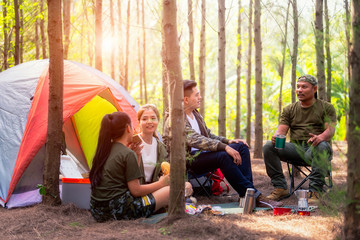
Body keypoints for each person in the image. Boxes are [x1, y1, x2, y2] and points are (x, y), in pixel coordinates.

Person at [163, 80, 265, 203]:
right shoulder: (175, 119)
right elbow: (195, 139)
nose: (200, 97)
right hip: (187, 162)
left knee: (241, 146)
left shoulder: (195, 114)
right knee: (223, 155)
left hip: (203, 156)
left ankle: (246, 194)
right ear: (186, 99)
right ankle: (253, 196)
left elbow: (208, 135)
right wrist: (225, 147)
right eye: (196, 95)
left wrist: (228, 141)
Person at [263, 74, 336, 201]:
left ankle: (315, 191)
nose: (299, 90)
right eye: (298, 87)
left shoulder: (326, 107)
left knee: (321, 146)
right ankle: (281, 188)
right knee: (269, 146)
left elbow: (330, 130)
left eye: (304, 87)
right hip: (295, 148)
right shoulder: (289, 109)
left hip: (315, 148)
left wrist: (320, 137)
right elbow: (281, 130)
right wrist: (275, 136)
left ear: (314, 89)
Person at [89, 112, 169, 222]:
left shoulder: (104, 151)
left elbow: (130, 183)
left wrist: (137, 156)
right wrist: (161, 183)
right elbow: (136, 191)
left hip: (98, 212)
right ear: (128, 128)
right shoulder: (127, 153)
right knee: (169, 190)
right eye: (132, 126)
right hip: (121, 211)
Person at [137, 104, 194, 197]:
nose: (149, 122)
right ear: (138, 121)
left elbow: (166, 171)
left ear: (158, 121)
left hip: (155, 188)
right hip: (139, 191)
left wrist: (183, 182)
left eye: (153, 118)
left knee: (187, 185)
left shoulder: (160, 146)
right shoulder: (134, 144)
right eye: (144, 119)